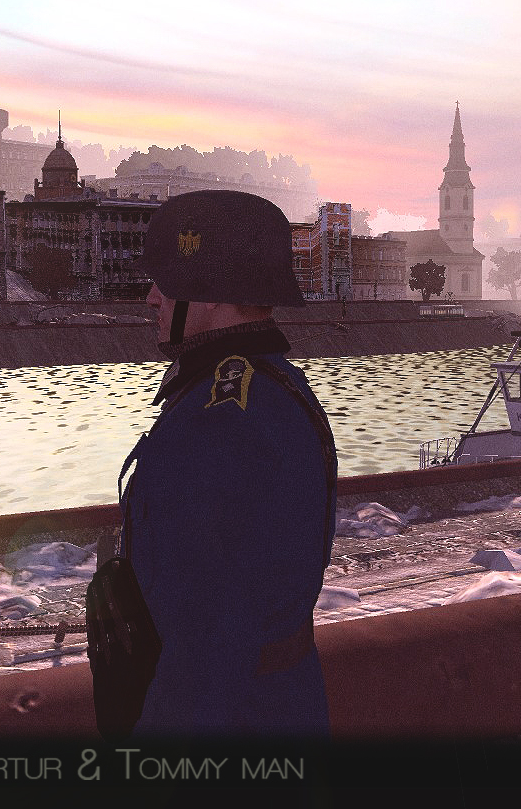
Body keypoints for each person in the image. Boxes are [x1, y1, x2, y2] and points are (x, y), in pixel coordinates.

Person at [116, 189, 337, 736]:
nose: (150, 299)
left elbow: (210, 635)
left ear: (207, 289)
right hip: (278, 709)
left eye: (164, 285)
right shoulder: (273, 384)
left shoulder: (219, 417)